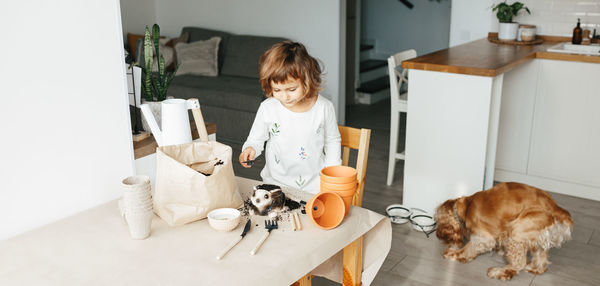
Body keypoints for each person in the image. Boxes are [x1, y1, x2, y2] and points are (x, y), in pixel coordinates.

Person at [239, 41, 341, 194]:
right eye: (277, 90)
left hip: (315, 185)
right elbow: (256, 139)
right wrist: (250, 149)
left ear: (307, 80)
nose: (285, 96)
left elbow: (332, 141)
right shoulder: (268, 107)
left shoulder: (324, 107)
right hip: (275, 183)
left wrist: (332, 175)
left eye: (292, 89)